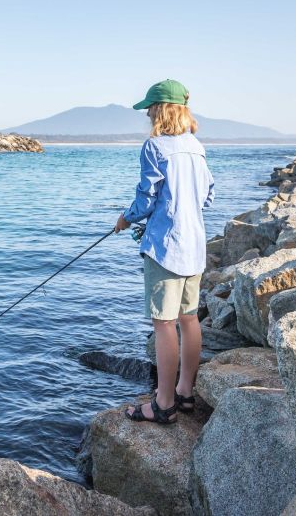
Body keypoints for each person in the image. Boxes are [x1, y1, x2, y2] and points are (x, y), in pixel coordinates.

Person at [114, 79, 215, 424]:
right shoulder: (197, 147)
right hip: (194, 245)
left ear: (160, 110)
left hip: (166, 248)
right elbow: (207, 196)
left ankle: (163, 403)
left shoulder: (154, 147)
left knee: (163, 324)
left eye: (150, 109)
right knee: (189, 320)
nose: (148, 116)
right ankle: (185, 393)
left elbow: (145, 200)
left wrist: (125, 219)